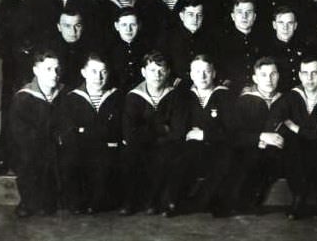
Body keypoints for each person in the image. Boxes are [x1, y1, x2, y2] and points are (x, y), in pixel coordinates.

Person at [0, 0, 46, 173]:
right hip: (14, 66)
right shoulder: (11, 1)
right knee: (12, 109)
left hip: (38, 66)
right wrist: (13, 52)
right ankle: (7, 157)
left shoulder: (45, 0)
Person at [163, 55, 235, 216]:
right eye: (197, 72)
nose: (202, 76)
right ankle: (173, 201)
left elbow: (231, 129)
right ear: (191, 74)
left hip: (218, 145)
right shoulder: (183, 96)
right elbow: (179, 127)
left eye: (206, 71)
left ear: (214, 73)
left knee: (224, 161)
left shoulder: (224, 95)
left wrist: (204, 134)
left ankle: (201, 203)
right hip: (191, 145)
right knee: (181, 158)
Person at [273, 56, 317, 220]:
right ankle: (298, 198)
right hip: (298, 149)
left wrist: (296, 128)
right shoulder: (291, 96)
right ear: (300, 75)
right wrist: (305, 133)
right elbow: (278, 118)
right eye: (305, 73)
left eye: (314, 73)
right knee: (295, 146)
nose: (309, 78)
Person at [58, 53, 122, 214]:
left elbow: (117, 129)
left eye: (103, 72)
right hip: (82, 149)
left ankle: (97, 202)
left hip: (108, 149)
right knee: (71, 158)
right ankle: (77, 202)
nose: (98, 77)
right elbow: (69, 132)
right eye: (93, 71)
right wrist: (99, 133)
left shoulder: (116, 97)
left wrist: (85, 131)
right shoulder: (71, 98)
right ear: (84, 73)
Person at [120, 51, 179, 216]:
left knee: (168, 154)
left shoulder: (174, 95)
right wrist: (162, 128)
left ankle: (155, 202)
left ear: (168, 72)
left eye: (161, 70)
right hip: (141, 145)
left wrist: (149, 130)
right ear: (143, 72)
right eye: (152, 70)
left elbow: (178, 130)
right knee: (130, 154)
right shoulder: (133, 97)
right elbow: (130, 133)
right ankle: (130, 202)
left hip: (166, 145)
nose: (157, 75)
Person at [9, 50, 63, 217]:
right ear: (36, 71)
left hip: (57, 146)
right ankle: (28, 201)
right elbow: (20, 133)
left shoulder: (63, 93)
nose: (54, 74)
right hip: (33, 148)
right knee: (29, 160)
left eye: (57, 69)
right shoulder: (24, 98)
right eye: (48, 69)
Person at [228, 57, 285, 213]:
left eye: (273, 74)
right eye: (263, 75)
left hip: (278, 150)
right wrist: (260, 137)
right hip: (250, 148)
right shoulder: (244, 101)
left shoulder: (285, 100)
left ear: (278, 76)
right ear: (255, 78)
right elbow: (235, 134)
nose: (269, 79)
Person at [218, 0, 264, 96]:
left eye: (248, 12)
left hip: (260, 91)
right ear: (233, 16)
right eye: (240, 12)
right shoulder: (221, 42)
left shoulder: (263, 40)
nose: (244, 16)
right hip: (231, 93)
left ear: (254, 16)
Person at [104, 8, 150, 93]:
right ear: (117, 26)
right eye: (124, 25)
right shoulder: (108, 50)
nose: (128, 29)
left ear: (139, 25)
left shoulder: (147, 49)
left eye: (133, 25)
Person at [263, 6, 305, 93]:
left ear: (295, 26)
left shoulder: (304, 47)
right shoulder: (265, 50)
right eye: (281, 23)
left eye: (290, 23)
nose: (285, 27)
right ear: (274, 25)